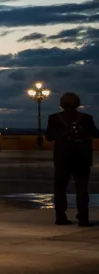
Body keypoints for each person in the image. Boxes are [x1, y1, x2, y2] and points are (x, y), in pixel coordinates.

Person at [45, 92, 97, 226]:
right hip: (82, 158)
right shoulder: (86, 118)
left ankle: (61, 217)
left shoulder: (54, 118)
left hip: (62, 158)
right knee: (82, 188)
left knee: (60, 188)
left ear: (61, 104)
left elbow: (49, 136)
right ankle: (83, 218)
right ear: (77, 104)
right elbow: (95, 133)